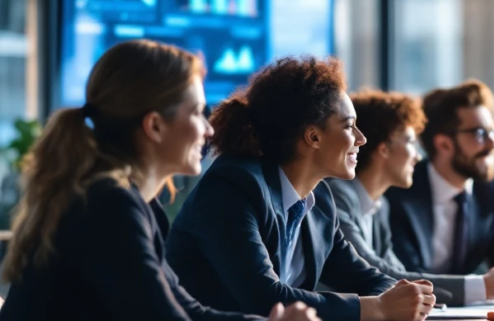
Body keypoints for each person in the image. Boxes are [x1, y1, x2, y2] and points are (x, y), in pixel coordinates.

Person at [0, 40, 318, 321]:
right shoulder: (109, 206)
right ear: (154, 126)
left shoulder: (135, 204)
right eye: (196, 112)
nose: (208, 129)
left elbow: (188, 310)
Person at [165, 56, 435, 321]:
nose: (361, 139)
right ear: (313, 136)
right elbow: (265, 299)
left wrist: (389, 303)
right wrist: (376, 309)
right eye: (349, 126)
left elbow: (369, 278)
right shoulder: (232, 188)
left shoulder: (319, 201)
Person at [327, 90, 494, 306]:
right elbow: (377, 274)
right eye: (411, 142)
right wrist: (485, 286)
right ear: (383, 150)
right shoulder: (341, 197)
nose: (418, 155)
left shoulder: (379, 205)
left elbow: (399, 278)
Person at [383, 80, 494, 304]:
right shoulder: (399, 191)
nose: (493, 144)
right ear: (443, 144)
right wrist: (486, 286)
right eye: (480, 134)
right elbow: (404, 281)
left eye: (493, 132)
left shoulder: (489, 189)